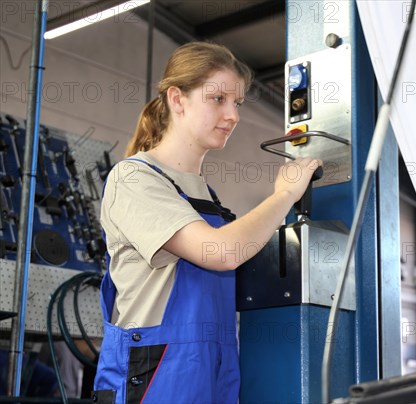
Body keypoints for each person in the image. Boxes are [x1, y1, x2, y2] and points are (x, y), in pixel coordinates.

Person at [92, 41, 321, 403]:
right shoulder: (134, 179)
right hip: (157, 370)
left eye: (238, 103)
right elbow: (220, 252)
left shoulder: (206, 194)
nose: (233, 115)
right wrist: (283, 196)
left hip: (216, 366)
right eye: (218, 99)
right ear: (177, 99)